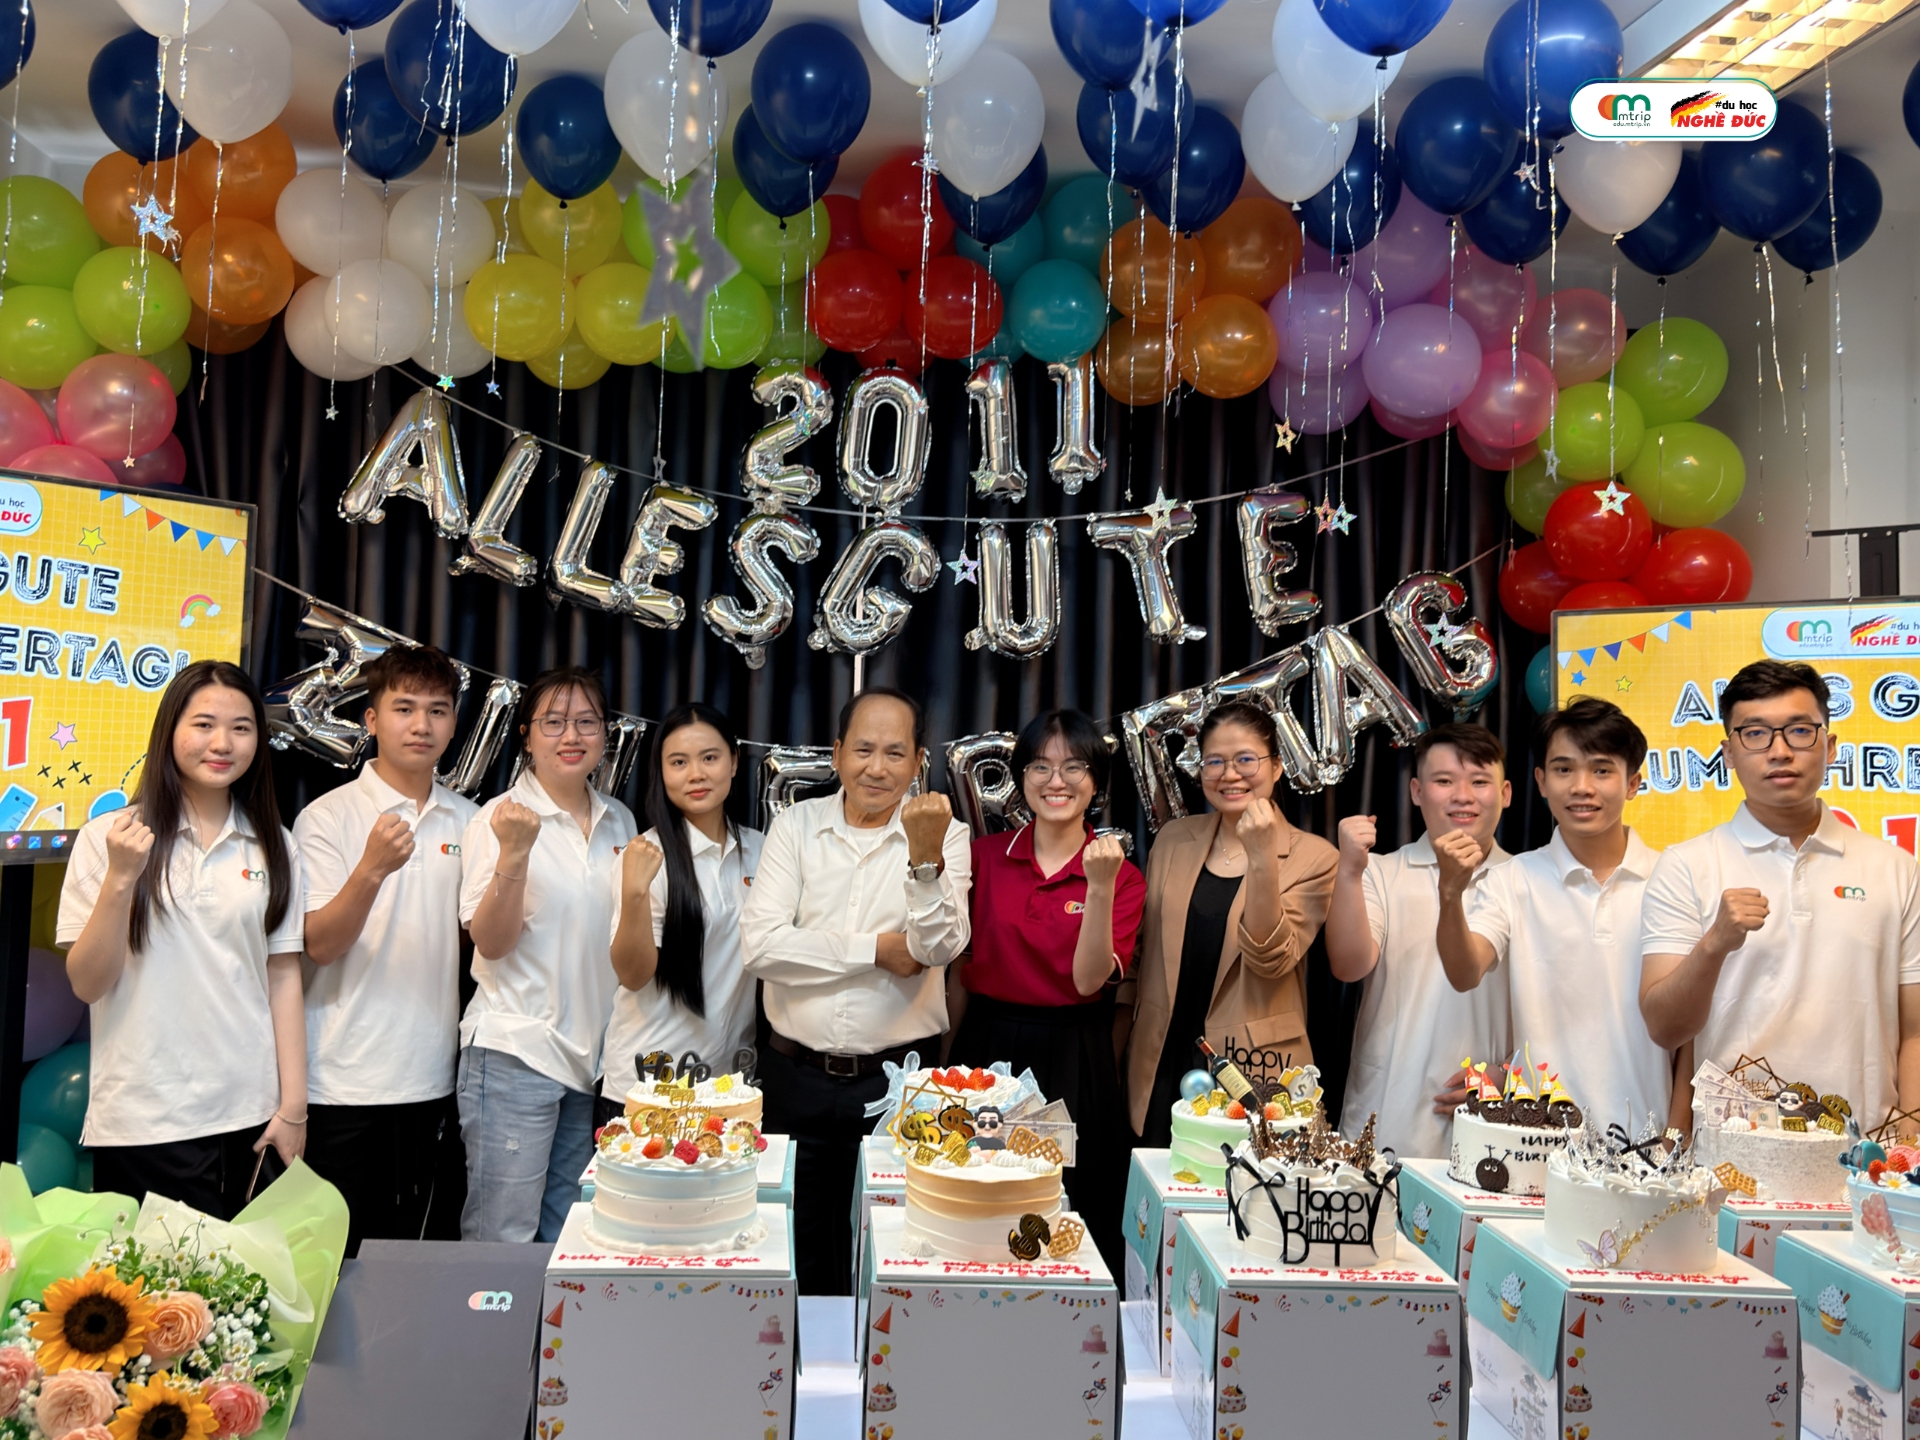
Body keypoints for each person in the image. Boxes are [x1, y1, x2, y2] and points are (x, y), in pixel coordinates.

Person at [741, 686, 972, 1295]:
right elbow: (761, 948)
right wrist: (876, 951)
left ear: (918, 760)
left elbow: (937, 950)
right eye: (864, 750)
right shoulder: (796, 826)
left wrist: (925, 859)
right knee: (794, 1250)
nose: (877, 767)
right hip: (795, 1077)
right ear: (837, 752)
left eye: (895, 753)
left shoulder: (946, 834)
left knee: (896, 1250)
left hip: (896, 1085)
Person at [57, 661, 306, 1218]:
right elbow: (87, 983)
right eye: (204, 724)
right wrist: (122, 877)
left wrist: (293, 1107)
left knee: (247, 1274)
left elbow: (283, 976)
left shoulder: (276, 844)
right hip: (143, 1118)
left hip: (250, 1116)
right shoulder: (109, 837)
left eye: (241, 728)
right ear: (170, 730)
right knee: (154, 1278)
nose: (223, 744)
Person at [1641, 660, 1920, 1129]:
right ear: (1729, 752)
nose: (1779, 751)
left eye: (1799, 731)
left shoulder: (1896, 869)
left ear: (1829, 746)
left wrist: (1910, 1135)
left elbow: (1915, 1032)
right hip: (1732, 1150)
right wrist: (1715, 943)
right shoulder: (1687, 865)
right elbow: (1664, 1028)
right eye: (1755, 734)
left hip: (1862, 1150)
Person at [948, 708, 1147, 1273]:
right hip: (986, 1047)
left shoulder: (1123, 876)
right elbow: (957, 970)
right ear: (1020, 778)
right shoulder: (985, 857)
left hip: (1075, 1054)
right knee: (978, 1203)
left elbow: (1088, 981)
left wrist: (1100, 886)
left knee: (1065, 1216)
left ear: (1096, 782)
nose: (1056, 781)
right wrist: (945, 1060)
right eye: (1040, 766)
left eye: (1073, 766)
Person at [295, 646, 474, 1255]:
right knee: (336, 1263)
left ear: (453, 723)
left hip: (431, 1076)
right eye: (404, 708)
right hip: (341, 1079)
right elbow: (319, 945)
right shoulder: (327, 818)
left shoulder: (470, 820)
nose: (421, 725)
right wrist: (371, 868)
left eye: (437, 710)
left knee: (413, 1260)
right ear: (371, 719)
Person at [1435, 697, 1676, 1132]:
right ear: (1542, 782)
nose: (1581, 786)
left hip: (1648, 1138)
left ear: (1633, 783)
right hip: (1541, 1140)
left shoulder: (1672, 879)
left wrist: (1676, 1134)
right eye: (1564, 769)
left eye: (1601, 770)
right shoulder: (1513, 879)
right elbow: (1465, 972)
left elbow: (1691, 1027)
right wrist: (1450, 895)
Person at [458, 666, 637, 1243]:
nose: (571, 736)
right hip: (517, 1050)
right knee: (502, 1238)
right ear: (527, 735)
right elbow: (490, 942)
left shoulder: (620, 820)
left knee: (569, 1236)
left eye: (587, 722)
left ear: (605, 733)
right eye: (554, 722)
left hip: (592, 1061)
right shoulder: (497, 817)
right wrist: (515, 853)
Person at [1122, 698, 1340, 1146]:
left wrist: (1261, 855)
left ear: (1276, 767)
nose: (1229, 774)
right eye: (1215, 761)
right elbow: (1141, 954)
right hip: (1160, 1053)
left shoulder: (1315, 857)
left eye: (1245, 759)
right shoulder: (1173, 839)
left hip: (1252, 1066)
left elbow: (1269, 959)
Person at [1326, 723, 1514, 1160]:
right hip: (1386, 1120)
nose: (1462, 796)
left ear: (1505, 793)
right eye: (1444, 781)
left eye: (1479, 782)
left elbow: (1551, 1009)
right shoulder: (1382, 873)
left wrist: (1509, 1074)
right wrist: (1349, 870)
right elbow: (1348, 966)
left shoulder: (1526, 880)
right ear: (1416, 791)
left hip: (1491, 1125)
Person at [599, 703, 764, 1130]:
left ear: (733, 762)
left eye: (709, 757)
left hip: (728, 1085)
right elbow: (633, 975)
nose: (696, 774)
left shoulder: (762, 851)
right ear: (661, 771)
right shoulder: (646, 854)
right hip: (649, 1085)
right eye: (678, 762)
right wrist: (635, 892)